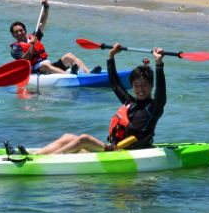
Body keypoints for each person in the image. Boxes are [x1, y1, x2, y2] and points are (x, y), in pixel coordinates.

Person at [36, 43, 166, 154]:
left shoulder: (153, 107)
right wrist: (111, 57)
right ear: (133, 86)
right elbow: (115, 84)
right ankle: (37, 155)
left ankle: (49, 159)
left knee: (84, 139)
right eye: (137, 86)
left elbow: (161, 92)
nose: (140, 89)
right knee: (67, 137)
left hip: (124, 152)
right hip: (113, 150)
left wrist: (158, 64)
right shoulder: (130, 103)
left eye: (144, 86)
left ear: (151, 86)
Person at [9, 0, 95, 74]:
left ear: (25, 30)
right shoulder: (16, 48)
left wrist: (46, 8)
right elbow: (24, 61)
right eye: (16, 32)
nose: (19, 33)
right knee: (46, 65)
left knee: (69, 56)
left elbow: (42, 23)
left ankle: (88, 73)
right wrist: (32, 44)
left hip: (49, 66)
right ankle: (70, 76)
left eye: (21, 30)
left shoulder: (33, 37)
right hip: (36, 70)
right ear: (13, 35)